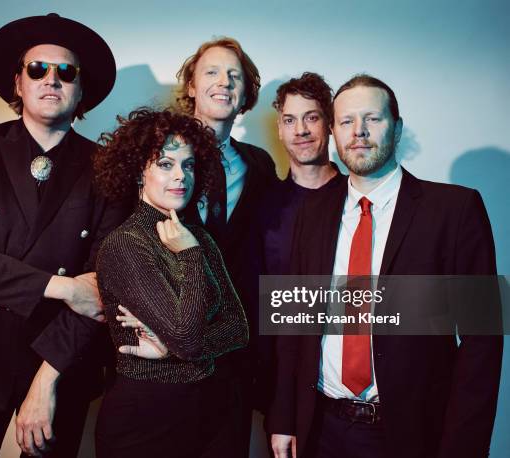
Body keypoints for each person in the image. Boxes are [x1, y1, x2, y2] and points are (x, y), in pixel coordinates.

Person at [267, 74, 503, 458]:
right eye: (346, 121)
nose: (358, 132)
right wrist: (282, 418)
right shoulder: (313, 212)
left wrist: (464, 446)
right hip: (320, 429)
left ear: (397, 126)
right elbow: (295, 321)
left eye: (372, 119)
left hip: (410, 434)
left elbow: (484, 341)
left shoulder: (456, 210)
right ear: (333, 132)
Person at [0, 14, 126, 457]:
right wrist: (62, 286)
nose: (51, 79)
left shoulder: (107, 168)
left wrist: (45, 380)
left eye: (65, 72)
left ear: (80, 89)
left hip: (58, 361)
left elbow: (98, 290)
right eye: (37, 69)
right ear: (17, 83)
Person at [92, 107, 249, 458]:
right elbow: (187, 338)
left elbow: (238, 328)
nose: (181, 176)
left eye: (189, 165)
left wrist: (174, 347)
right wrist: (190, 258)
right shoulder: (125, 244)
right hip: (145, 418)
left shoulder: (198, 237)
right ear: (138, 172)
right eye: (165, 164)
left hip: (208, 410)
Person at [176, 37, 279, 456]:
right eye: (212, 72)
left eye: (235, 75)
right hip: (164, 355)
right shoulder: (157, 153)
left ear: (245, 95)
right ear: (192, 87)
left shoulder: (259, 165)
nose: (224, 82)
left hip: (232, 359)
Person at [240, 72, 344, 444]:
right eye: (289, 120)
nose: (300, 130)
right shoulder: (263, 206)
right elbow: (263, 315)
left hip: (350, 398)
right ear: (280, 130)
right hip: (282, 397)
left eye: (312, 117)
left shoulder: (358, 200)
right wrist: (280, 412)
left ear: (330, 125)